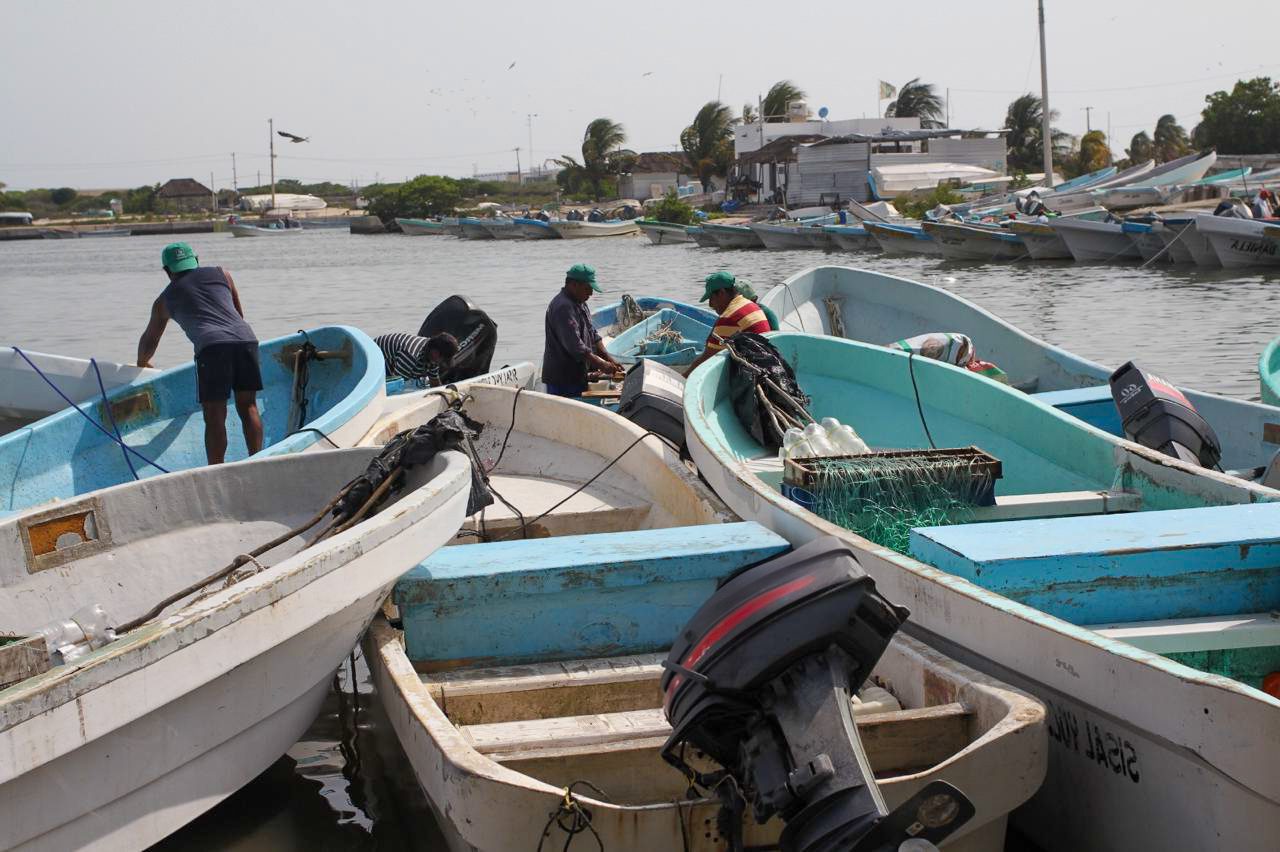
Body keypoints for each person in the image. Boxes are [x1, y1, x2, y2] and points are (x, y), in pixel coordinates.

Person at [137, 242, 263, 465]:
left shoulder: (164, 300)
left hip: (212, 347)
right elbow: (237, 314)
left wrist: (142, 362)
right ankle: (258, 460)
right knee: (249, 406)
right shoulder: (223, 274)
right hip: (246, 340)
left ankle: (215, 470)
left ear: (167, 271)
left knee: (215, 416)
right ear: (195, 259)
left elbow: (151, 339)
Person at [542, 263, 623, 397]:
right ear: (574, 285)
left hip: (576, 375)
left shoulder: (580, 302)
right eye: (588, 288)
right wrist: (601, 364)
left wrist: (609, 359)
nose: (591, 293)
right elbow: (575, 346)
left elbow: (592, 334)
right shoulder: (563, 307)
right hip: (562, 379)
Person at [688, 271, 771, 371]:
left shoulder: (729, 317)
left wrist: (682, 378)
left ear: (722, 293)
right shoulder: (750, 305)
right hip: (766, 366)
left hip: (755, 372)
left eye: (711, 298)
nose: (710, 304)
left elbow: (706, 361)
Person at [375, 331, 460, 386]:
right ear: (436, 353)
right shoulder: (410, 356)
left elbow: (434, 381)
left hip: (395, 362)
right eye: (444, 360)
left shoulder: (432, 352)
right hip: (375, 362)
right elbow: (397, 385)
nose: (442, 363)